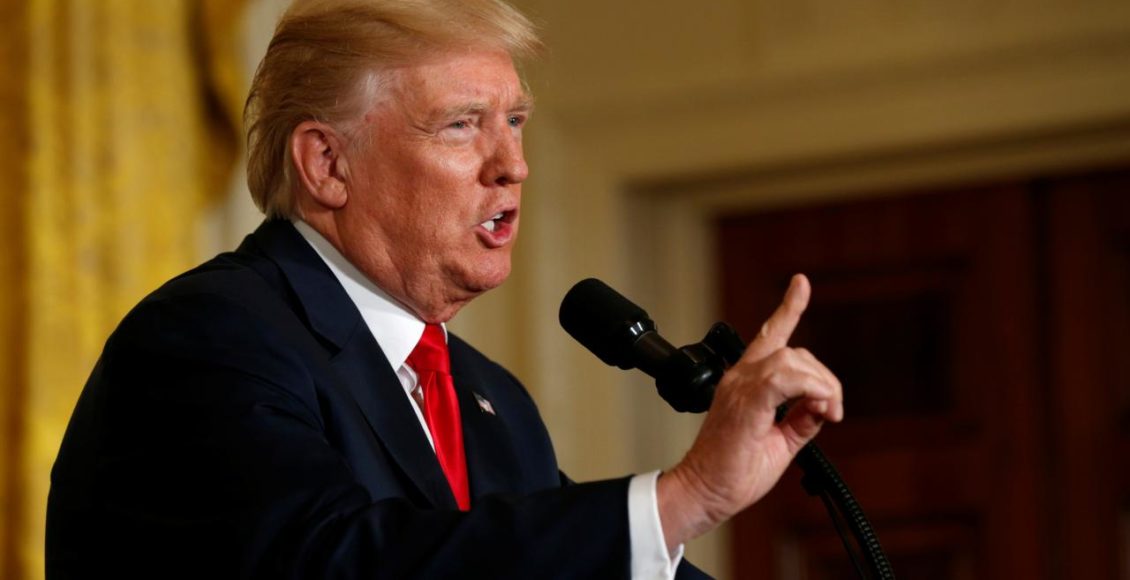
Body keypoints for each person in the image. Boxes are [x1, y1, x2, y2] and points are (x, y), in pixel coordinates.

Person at [45, 0, 843, 578]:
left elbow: (552, 564)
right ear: (327, 165)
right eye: (463, 124)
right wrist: (687, 494)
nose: (512, 164)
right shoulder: (210, 339)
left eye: (516, 121)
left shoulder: (491, 404)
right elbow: (334, 564)